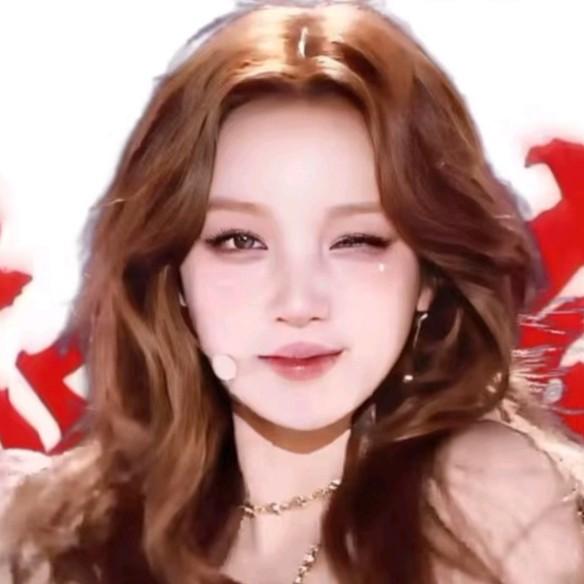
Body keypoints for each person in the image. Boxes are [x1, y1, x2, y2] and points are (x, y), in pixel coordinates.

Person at [1, 1, 584, 582]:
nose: (299, 303)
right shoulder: (61, 540)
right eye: (240, 241)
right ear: (173, 272)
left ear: (428, 275)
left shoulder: (492, 503)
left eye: (356, 240)